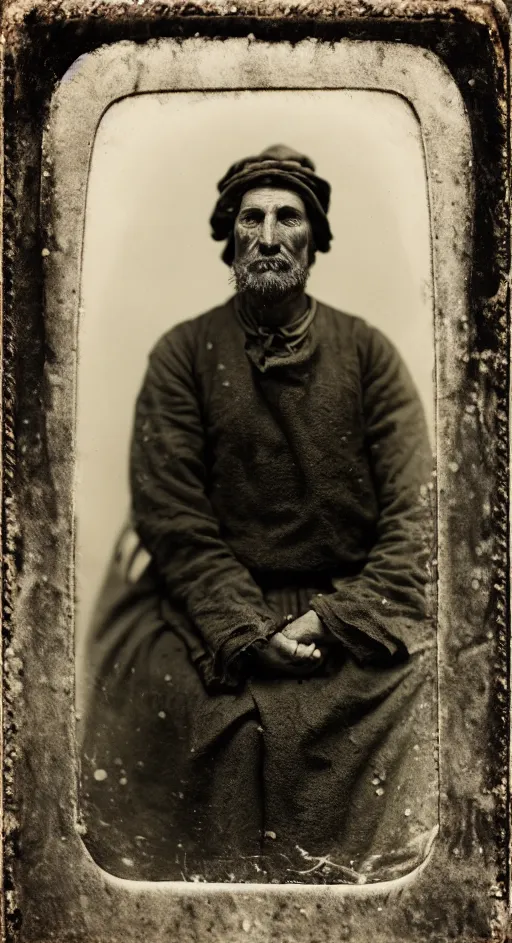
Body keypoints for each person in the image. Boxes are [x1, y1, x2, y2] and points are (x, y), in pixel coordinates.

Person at [79, 144, 438, 884]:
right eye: (252, 218)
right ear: (230, 237)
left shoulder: (369, 356)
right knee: (198, 718)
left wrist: (332, 620)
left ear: (316, 240)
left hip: (341, 614)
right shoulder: (182, 354)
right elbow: (172, 516)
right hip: (212, 614)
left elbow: (416, 519)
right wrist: (247, 631)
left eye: (288, 217)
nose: (270, 235)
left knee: (429, 696)